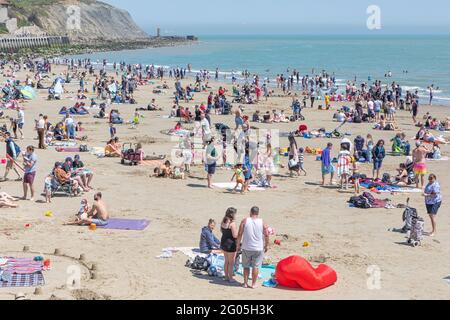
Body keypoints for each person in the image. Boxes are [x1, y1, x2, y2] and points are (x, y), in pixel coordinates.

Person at [236, 207, 269, 289]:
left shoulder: (245, 220)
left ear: (250, 212)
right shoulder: (262, 222)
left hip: (246, 247)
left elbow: (240, 233)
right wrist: (266, 245)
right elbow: (267, 234)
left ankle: (245, 283)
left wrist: (237, 245)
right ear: (258, 213)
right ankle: (253, 284)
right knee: (256, 266)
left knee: (246, 266)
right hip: (258, 248)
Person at [220, 208, 238, 283]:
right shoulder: (232, 223)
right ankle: (230, 278)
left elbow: (221, 230)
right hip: (230, 244)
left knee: (226, 261)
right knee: (231, 262)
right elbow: (235, 235)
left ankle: (226, 276)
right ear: (232, 214)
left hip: (224, 242)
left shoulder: (223, 221)